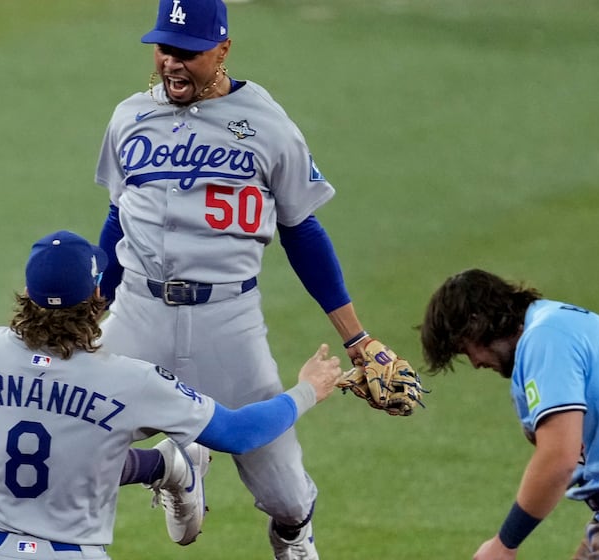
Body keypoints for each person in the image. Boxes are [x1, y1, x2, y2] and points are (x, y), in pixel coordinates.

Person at [91, 0, 414, 557]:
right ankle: (171, 466)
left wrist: (357, 338)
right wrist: (87, 312)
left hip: (228, 323)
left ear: (223, 49)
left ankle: (293, 536)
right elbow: (117, 219)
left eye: (189, 54)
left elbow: (303, 231)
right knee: (71, 447)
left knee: (285, 493)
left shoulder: (267, 125)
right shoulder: (128, 117)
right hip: (137, 315)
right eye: (165, 48)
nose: (172, 63)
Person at [0, 229, 344, 560]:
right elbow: (239, 434)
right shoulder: (133, 381)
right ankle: (166, 466)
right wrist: (308, 390)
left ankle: (165, 468)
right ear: (98, 293)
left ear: (27, 295)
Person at [419, 269, 599, 559]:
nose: (475, 362)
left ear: (477, 322)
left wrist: (504, 543)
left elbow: (559, 458)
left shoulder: (544, 339)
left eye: (465, 348)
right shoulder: (560, 321)